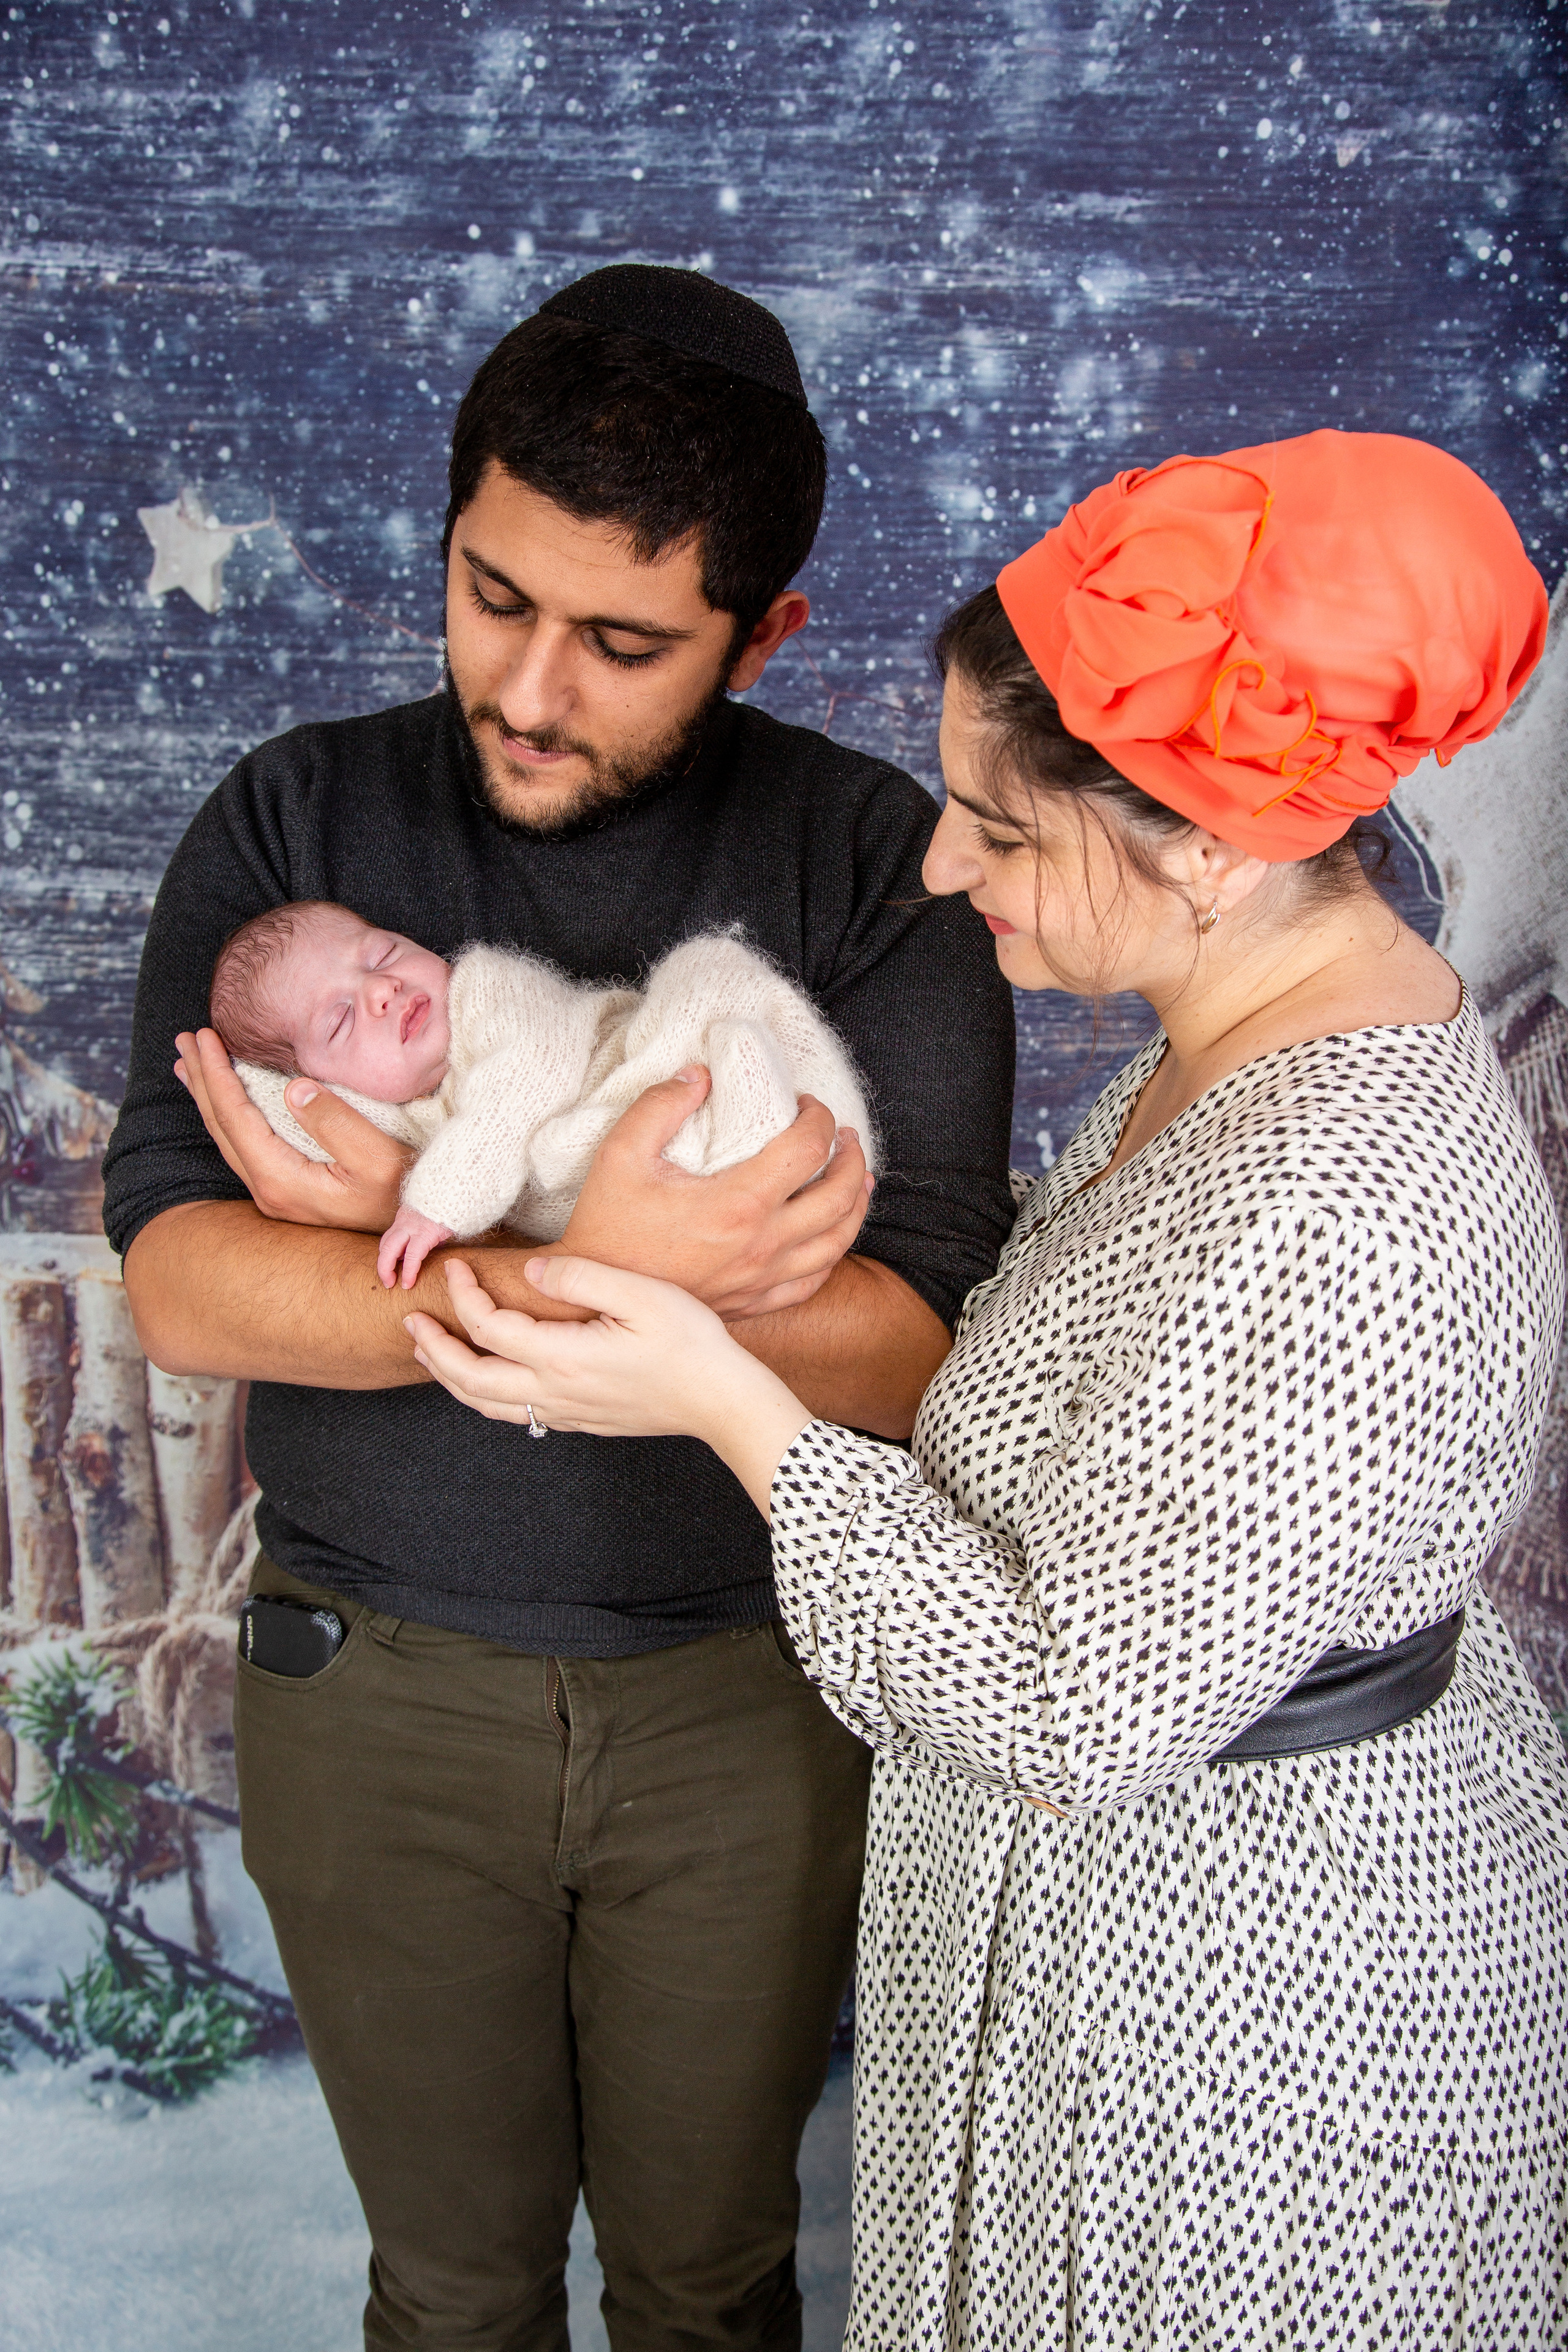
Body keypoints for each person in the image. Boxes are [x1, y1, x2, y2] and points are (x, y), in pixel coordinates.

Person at [409, 430, 1568, 2349]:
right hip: (1125, 1951)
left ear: (1211, 838)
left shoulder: (1344, 1191)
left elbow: (1069, 1698)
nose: (948, 869)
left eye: (1003, 829)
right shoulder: (1241, 1041)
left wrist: (727, 1399)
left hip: (1244, 2018)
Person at [105, 265, 1017, 2352]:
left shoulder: (874, 861)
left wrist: (432, 1256)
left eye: (621, 644)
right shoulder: (295, 822)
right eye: (490, 597)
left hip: (749, 1704)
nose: (527, 690)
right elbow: (184, 1287)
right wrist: (609, 1273)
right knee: (451, 2296)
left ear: (762, 635)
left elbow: (912, 1350)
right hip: (375, 1692)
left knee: (712, 2291)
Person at [211, 902, 875, 1288]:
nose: (381, 991)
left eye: (383, 954)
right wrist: (241, 1076)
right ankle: (741, 1162)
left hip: (650, 1070)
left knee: (707, 978)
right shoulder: (400, 1117)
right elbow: (289, 1110)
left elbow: (530, 1073)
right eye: (340, 1020)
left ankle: (759, 1133)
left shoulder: (484, 990)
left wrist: (439, 1201)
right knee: (673, 1169)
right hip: (650, 1200)